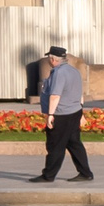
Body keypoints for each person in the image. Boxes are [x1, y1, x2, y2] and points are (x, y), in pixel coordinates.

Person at [32, 47, 94, 184]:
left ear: (53, 59)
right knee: (74, 144)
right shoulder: (74, 71)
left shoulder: (58, 73)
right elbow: (79, 94)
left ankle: (48, 175)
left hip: (61, 114)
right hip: (74, 112)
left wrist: (50, 115)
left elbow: (55, 95)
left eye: (49, 57)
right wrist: (81, 112)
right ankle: (85, 172)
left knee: (55, 145)